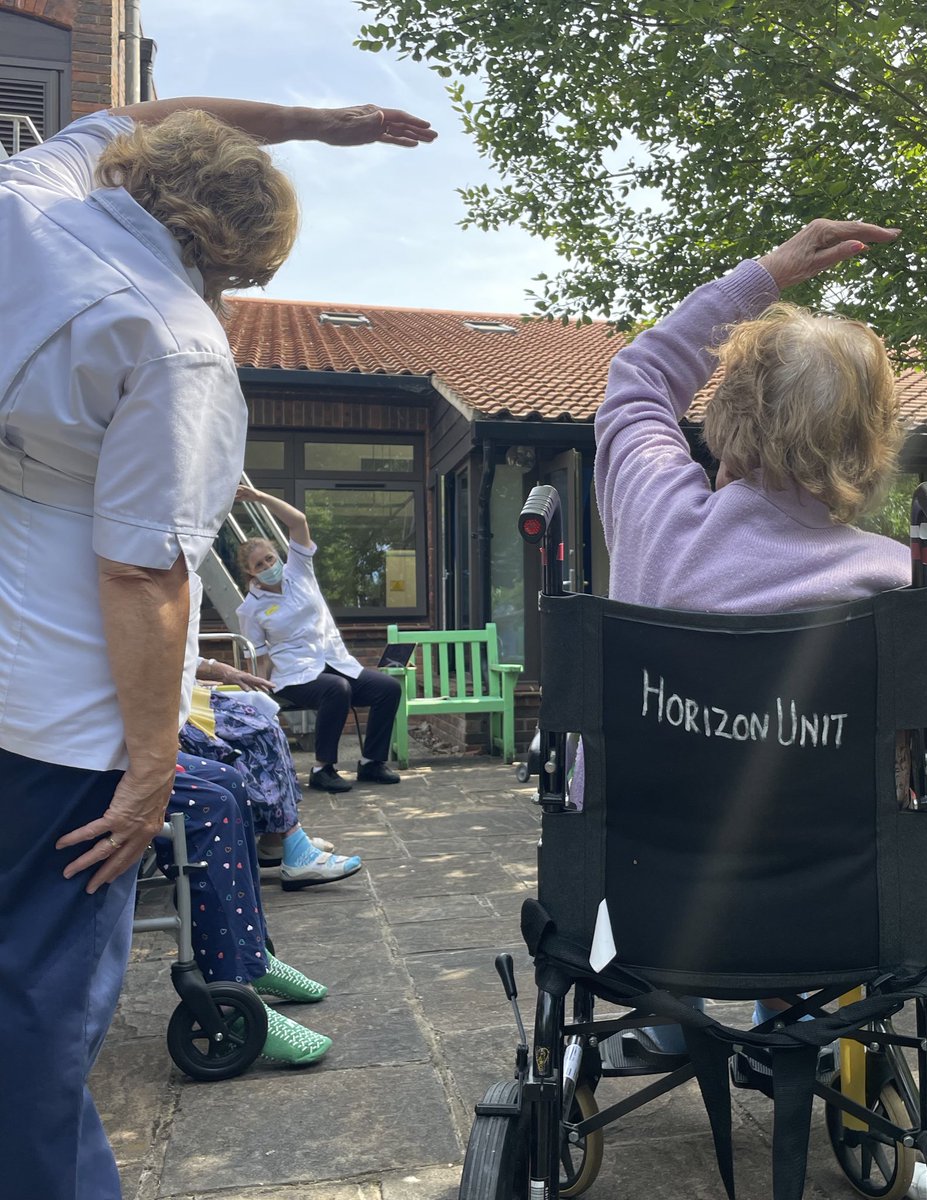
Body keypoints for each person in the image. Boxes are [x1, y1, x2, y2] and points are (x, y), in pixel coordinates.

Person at [0, 95, 435, 1200]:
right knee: (38, 1015)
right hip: (48, 710)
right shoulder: (174, 341)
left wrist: (313, 123)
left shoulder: (25, 195)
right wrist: (150, 765)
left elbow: (137, 107)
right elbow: (142, 571)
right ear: (231, 258)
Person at [594, 219, 927, 1062]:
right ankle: (800, 1018)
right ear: (868, 445)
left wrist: (762, 275)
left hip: (645, 890)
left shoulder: (653, 516)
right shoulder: (891, 589)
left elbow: (636, 379)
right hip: (827, 907)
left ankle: (663, 1009)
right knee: (802, 846)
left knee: (684, 840)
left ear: (725, 413)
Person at [158, 752, 335, 1065]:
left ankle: (251, 957)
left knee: (231, 781)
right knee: (211, 805)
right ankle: (232, 991)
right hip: (86, 762)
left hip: (110, 750)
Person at [235, 486, 404, 793]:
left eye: (270, 558)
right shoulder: (249, 609)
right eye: (259, 565)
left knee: (387, 689)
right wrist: (261, 692)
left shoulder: (299, 571)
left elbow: (298, 522)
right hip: (295, 675)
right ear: (250, 573)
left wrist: (259, 497)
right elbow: (258, 656)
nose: (268, 566)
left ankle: (371, 763)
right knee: (336, 690)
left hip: (334, 662)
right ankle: (322, 768)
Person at [185, 647, 363, 889]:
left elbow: (180, 657)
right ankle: (293, 846)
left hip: (186, 698)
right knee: (259, 736)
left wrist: (225, 672)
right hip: (174, 712)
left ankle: (275, 839)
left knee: (265, 720)